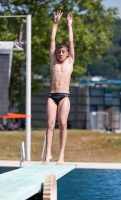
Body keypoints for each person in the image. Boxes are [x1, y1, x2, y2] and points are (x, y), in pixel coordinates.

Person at [43, 10, 74, 165]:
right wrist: (55, 23)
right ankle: (48, 154)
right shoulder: (53, 61)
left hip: (64, 96)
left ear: (68, 54)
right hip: (52, 95)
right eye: (58, 52)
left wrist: (69, 25)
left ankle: (61, 155)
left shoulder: (70, 61)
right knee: (49, 124)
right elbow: (52, 40)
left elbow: (70, 41)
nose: (60, 53)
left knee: (62, 123)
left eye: (63, 52)